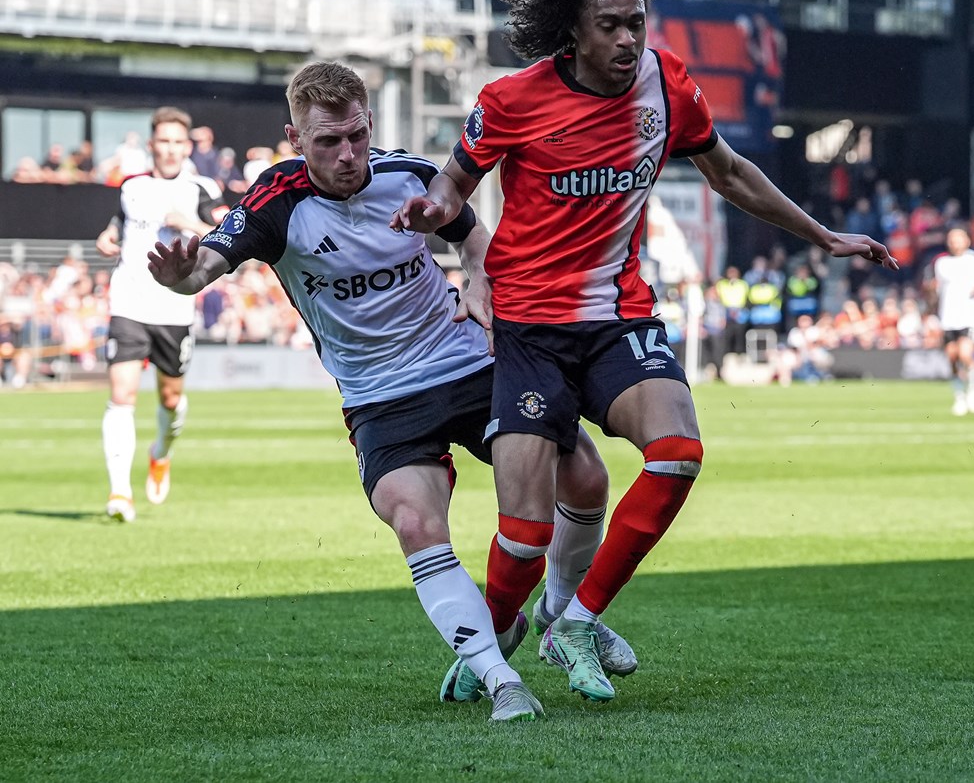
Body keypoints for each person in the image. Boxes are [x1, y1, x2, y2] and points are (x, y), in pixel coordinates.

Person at [392, 0, 894, 702]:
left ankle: (576, 620)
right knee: (523, 533)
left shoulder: (668, 85)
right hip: (529, 332)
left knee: (677, 451)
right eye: (610, 25)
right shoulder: (511, 99)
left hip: (617, 317)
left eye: (637, 21)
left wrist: (821, 234)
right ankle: (494, 637)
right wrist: (434, 211)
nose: (629, 39)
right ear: (572, 29)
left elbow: (730, 172)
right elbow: (453, 184)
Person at [145, 61, 625, 722]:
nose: (347, 154)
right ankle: (499, 679)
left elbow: (476, 238)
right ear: (295, 138)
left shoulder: (410, 175)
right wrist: (178, 278)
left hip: (466, 363)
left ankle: (561, 617)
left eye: (357, 135)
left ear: (370, 123)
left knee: (586, 476)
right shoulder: (275, 200)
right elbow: (202, 267)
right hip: (380, 397)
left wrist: (478, 281)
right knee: (415, 521)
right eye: (327, 142)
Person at [92, 108, 225, 522]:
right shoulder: (132, 185)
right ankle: (119, 493)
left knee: (170, 398)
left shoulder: (202, 188)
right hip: (128, 302)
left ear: (187, 148)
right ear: (151, 144)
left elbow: (228, 236)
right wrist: (108, 235)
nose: (170, 149)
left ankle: (161, 452)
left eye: (177, 142)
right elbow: (120, 224)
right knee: (122, 395)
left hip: (174, 306)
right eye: (163, 141)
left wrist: (189, 222)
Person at [926, 228, 974, 416]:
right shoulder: (940, 262)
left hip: (969, 315)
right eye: (952, 239)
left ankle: (973, 388)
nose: (955, 242)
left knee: (965, 353)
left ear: (967, 240)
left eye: (958, 238)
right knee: (952, 357)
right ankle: (959, 396)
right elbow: (932, 287)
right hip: (947, 316)